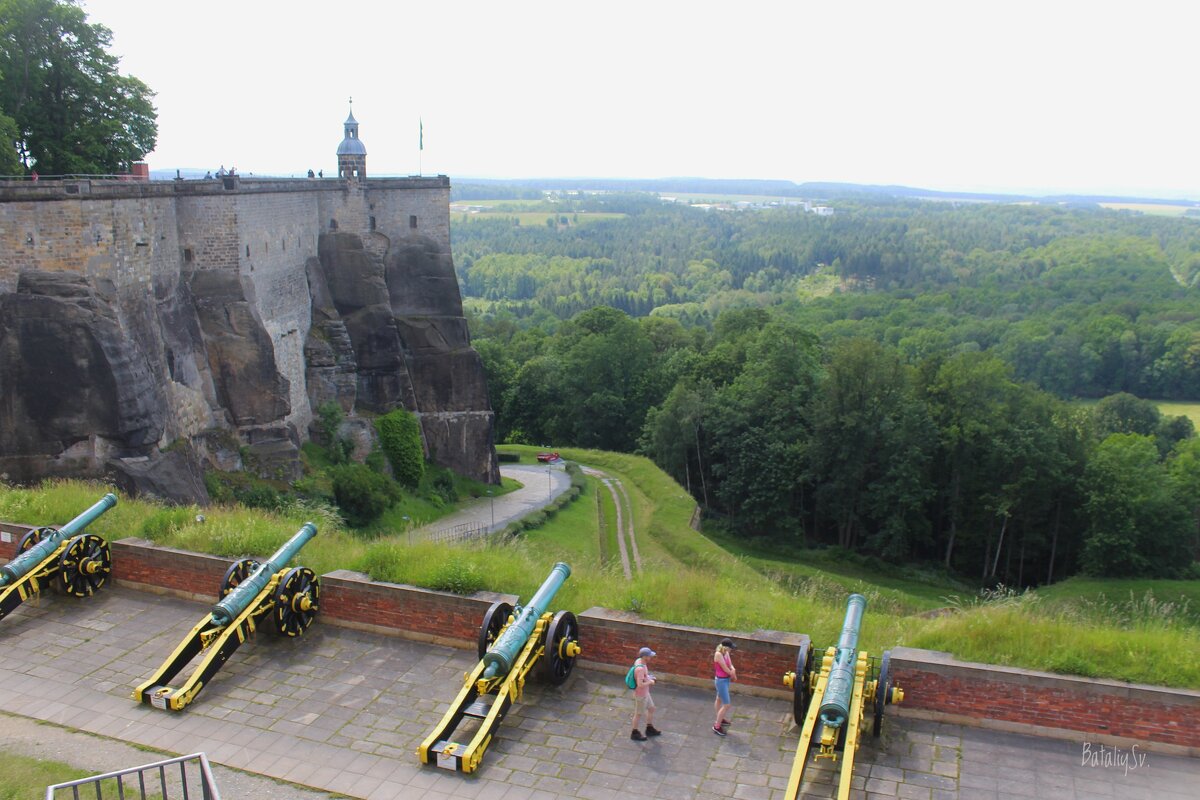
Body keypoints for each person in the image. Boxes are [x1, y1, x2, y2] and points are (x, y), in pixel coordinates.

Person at [630, 646, 661, 741]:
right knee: (638, 714)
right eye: (649, 656)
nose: (651, 658)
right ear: (644, 657)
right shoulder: (640, 669)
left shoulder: (640, 662)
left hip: (645, 692)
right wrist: (650, 682)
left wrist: (649, 677)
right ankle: (634, 732)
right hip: (641, 694)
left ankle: (649, 728)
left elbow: (644, 677)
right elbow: (640, 684)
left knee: (651, 708)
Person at [712, 638, 737, 736]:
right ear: (725, 647)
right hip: (721, 681)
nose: (731, 649)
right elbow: (725, 669)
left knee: (718, 699)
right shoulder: (718, 654)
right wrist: (733, 675)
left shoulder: (726, 653)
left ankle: (720, 718)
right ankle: (717, 726)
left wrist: (733, 670)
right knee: (727, 705)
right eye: (730, 648)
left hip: (725, 680)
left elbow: (730, 665)